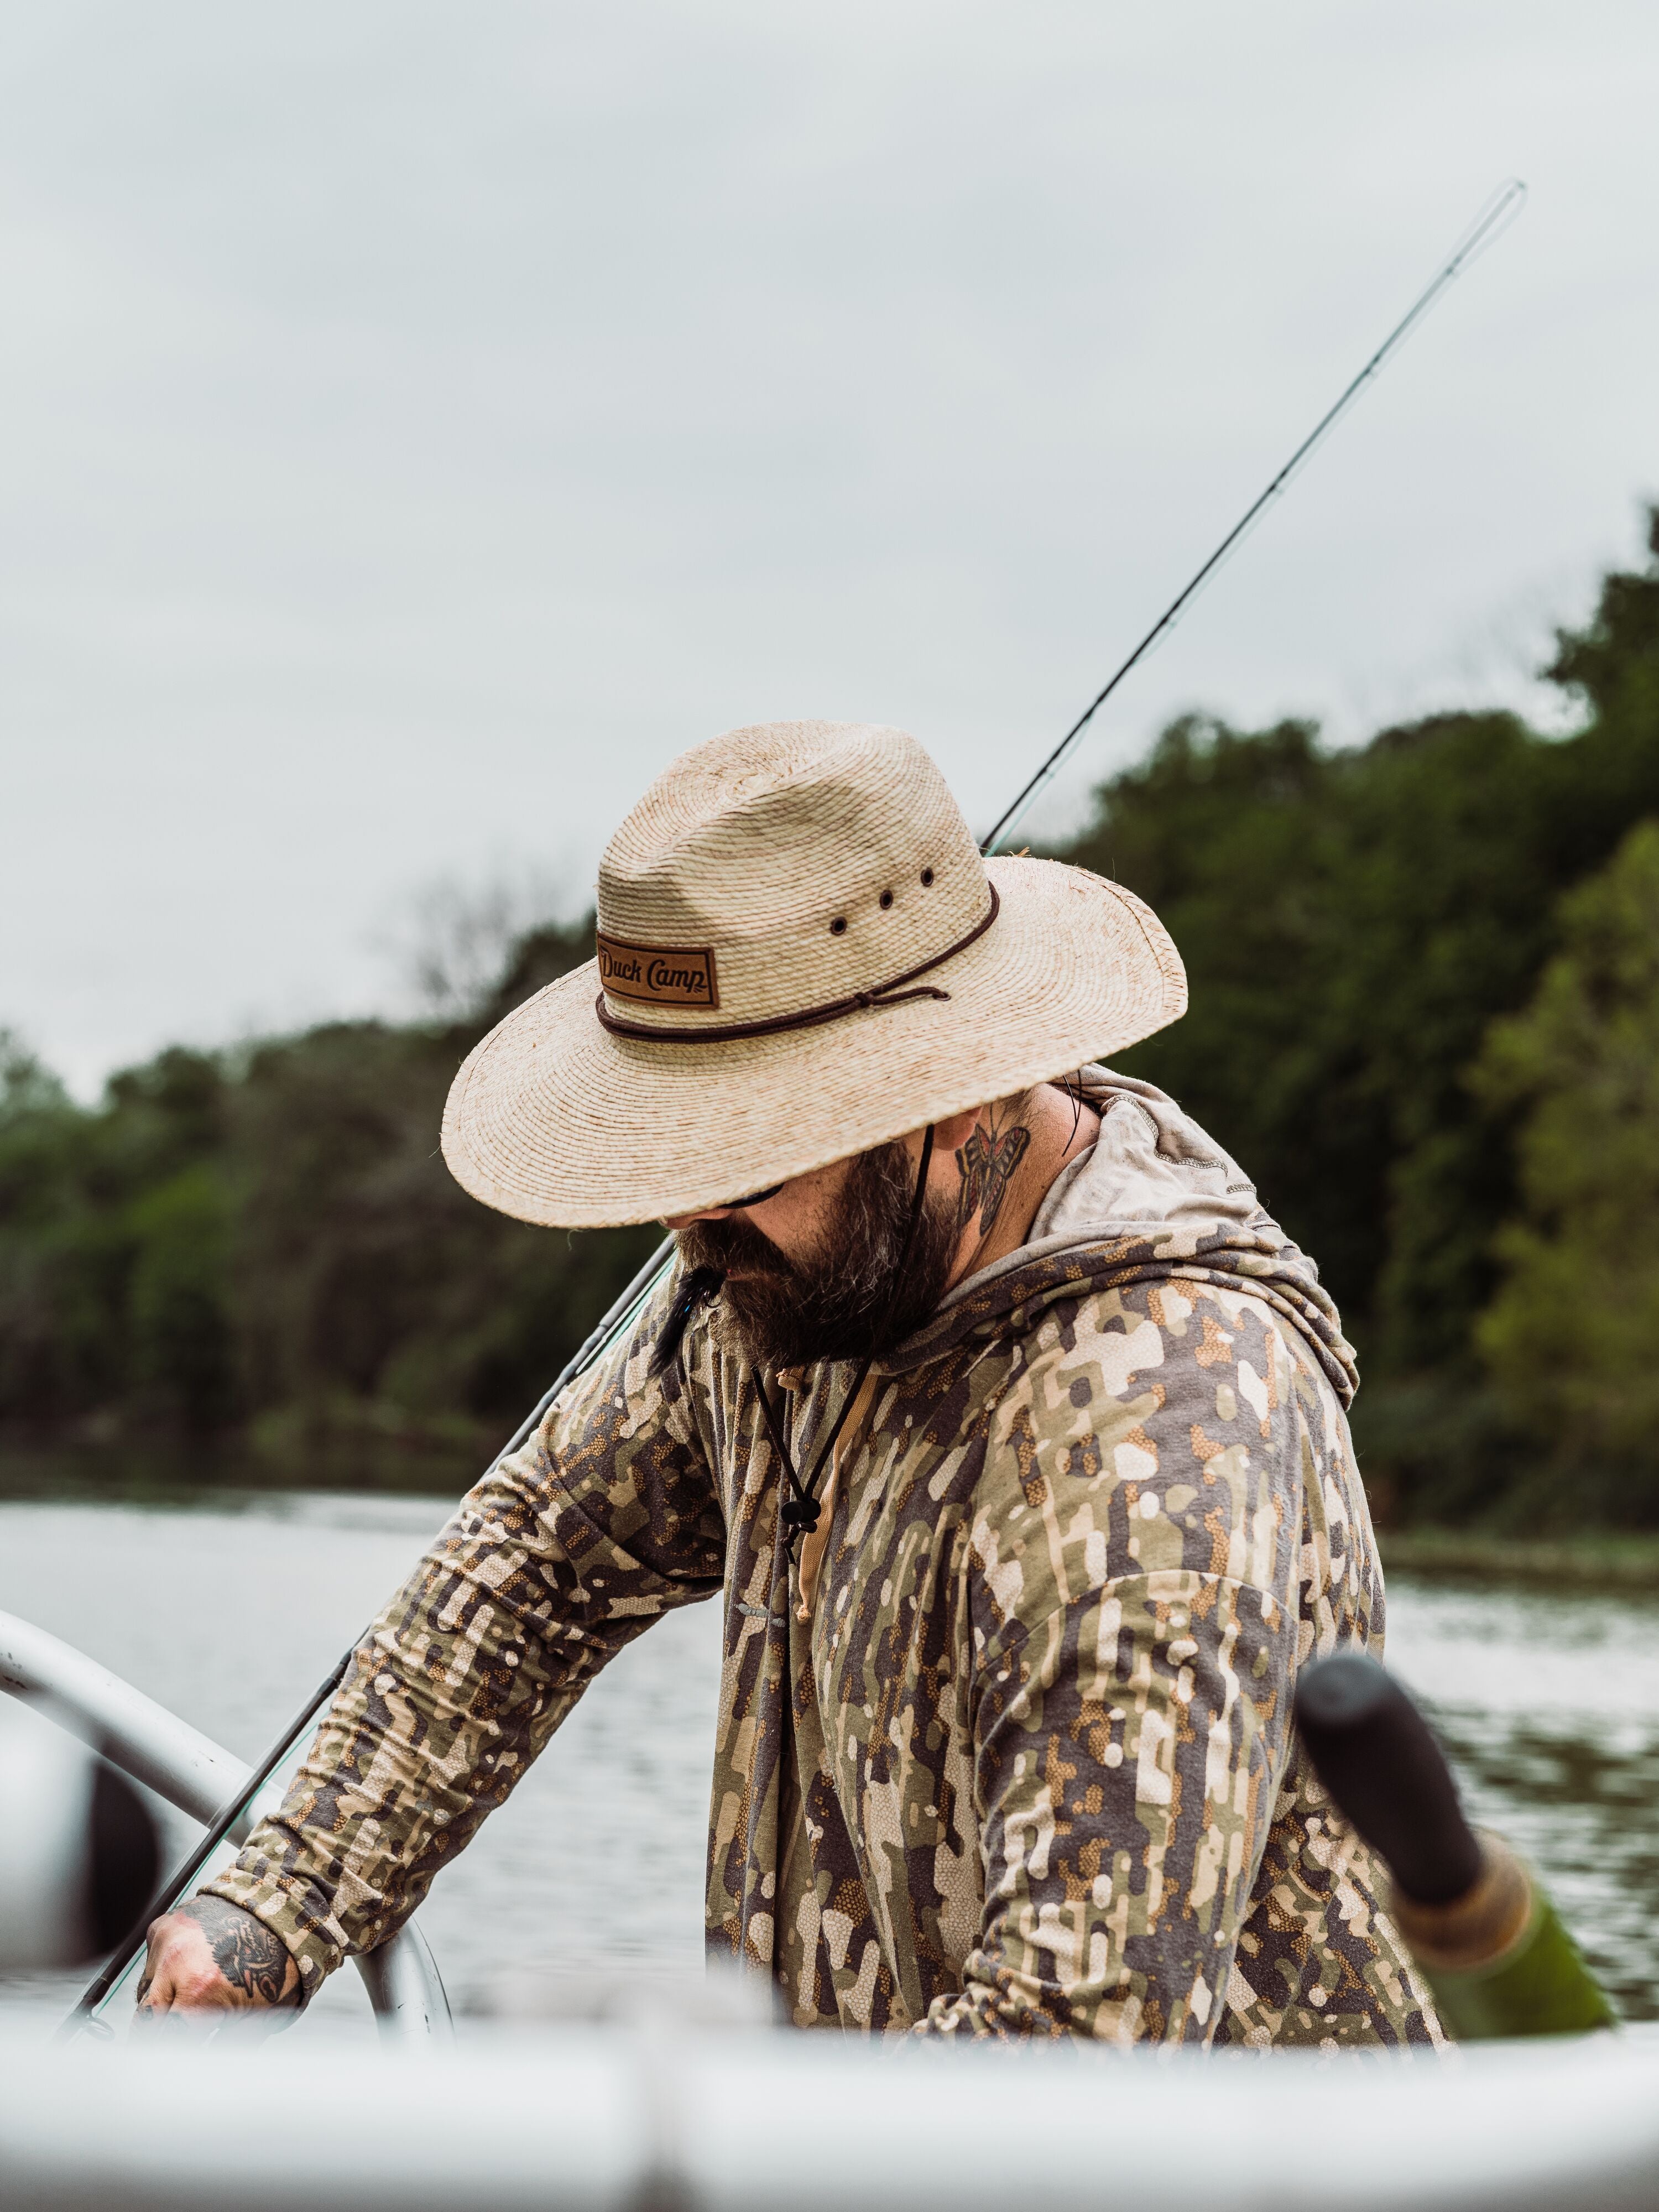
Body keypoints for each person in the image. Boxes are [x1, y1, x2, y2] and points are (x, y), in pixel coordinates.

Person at [138, 719, 1439, 2043]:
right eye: (671, 1150)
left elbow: (1072, 2052)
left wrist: (672, 2132)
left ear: (949, 1097)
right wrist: (282, 1900)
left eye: (746, 1153)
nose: (687, 1220)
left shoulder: (1157, 1434)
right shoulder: (785, 1284)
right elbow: (539, 1560)